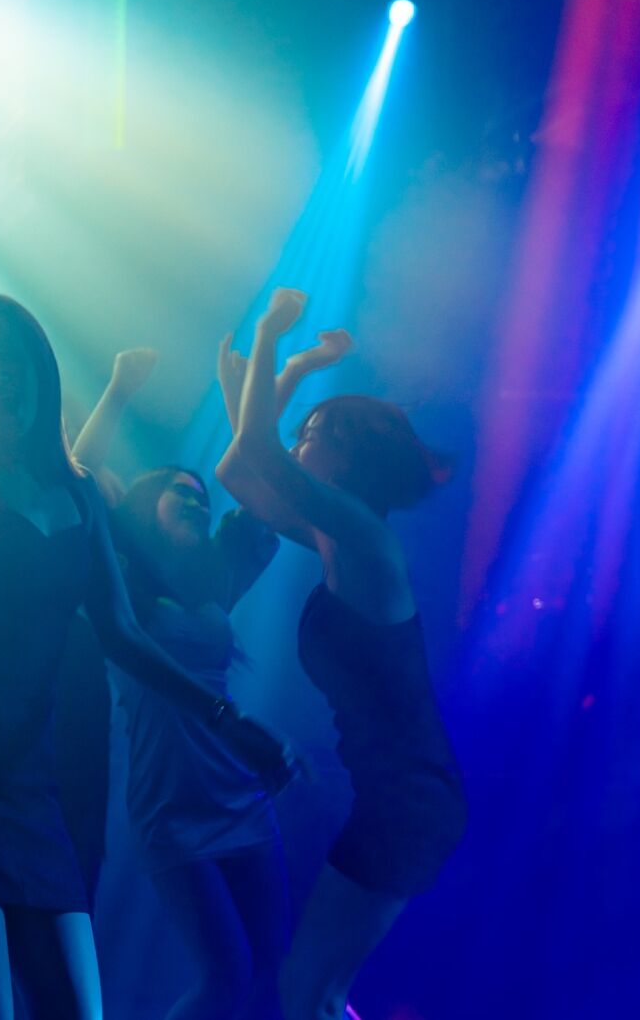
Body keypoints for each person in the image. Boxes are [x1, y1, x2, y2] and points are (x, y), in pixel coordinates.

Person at [0, 26, 292, 1019]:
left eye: (10, 356)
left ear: (37, 372)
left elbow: (126, 637)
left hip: (34, 784)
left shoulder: (76, 491)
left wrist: (235, 725)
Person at [72, 336, 345, 1020]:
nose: (196, 501)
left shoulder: (215, 586)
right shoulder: (123, 589)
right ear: (144, 508)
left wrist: (273, 379)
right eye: (179, 493)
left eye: (200, 497)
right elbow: (78, 472)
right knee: (223, 976)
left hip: (238, 787)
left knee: (269, 971)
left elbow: (257, 477)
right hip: (169, 800)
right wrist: (119, 390)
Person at [215, 289, 466, 1020]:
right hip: (399, 797)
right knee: (312, 992)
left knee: (308, 993)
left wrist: (270, 337)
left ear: (352, 456)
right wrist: (289, 366)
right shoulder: (337, 538)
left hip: (410, 800)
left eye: (315, 432)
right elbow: (240, 468)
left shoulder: (364, 541)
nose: (299, 443)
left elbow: (260, 446)